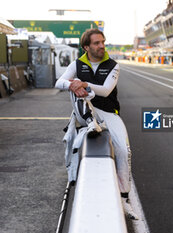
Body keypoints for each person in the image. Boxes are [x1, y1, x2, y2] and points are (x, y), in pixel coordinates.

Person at [55, 28, 138, 220]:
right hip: (85, 110)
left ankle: (124, 199)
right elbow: (59, 82)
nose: (102, 46)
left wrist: (83, 84)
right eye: (96, 43)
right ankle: (90, 123)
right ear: (86, 47)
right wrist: (73, 84)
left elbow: (106, 90)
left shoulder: (113, 65)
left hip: (108, 112)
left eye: (103, 42)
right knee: (72, 84)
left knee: (124, 151)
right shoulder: (78, 63)